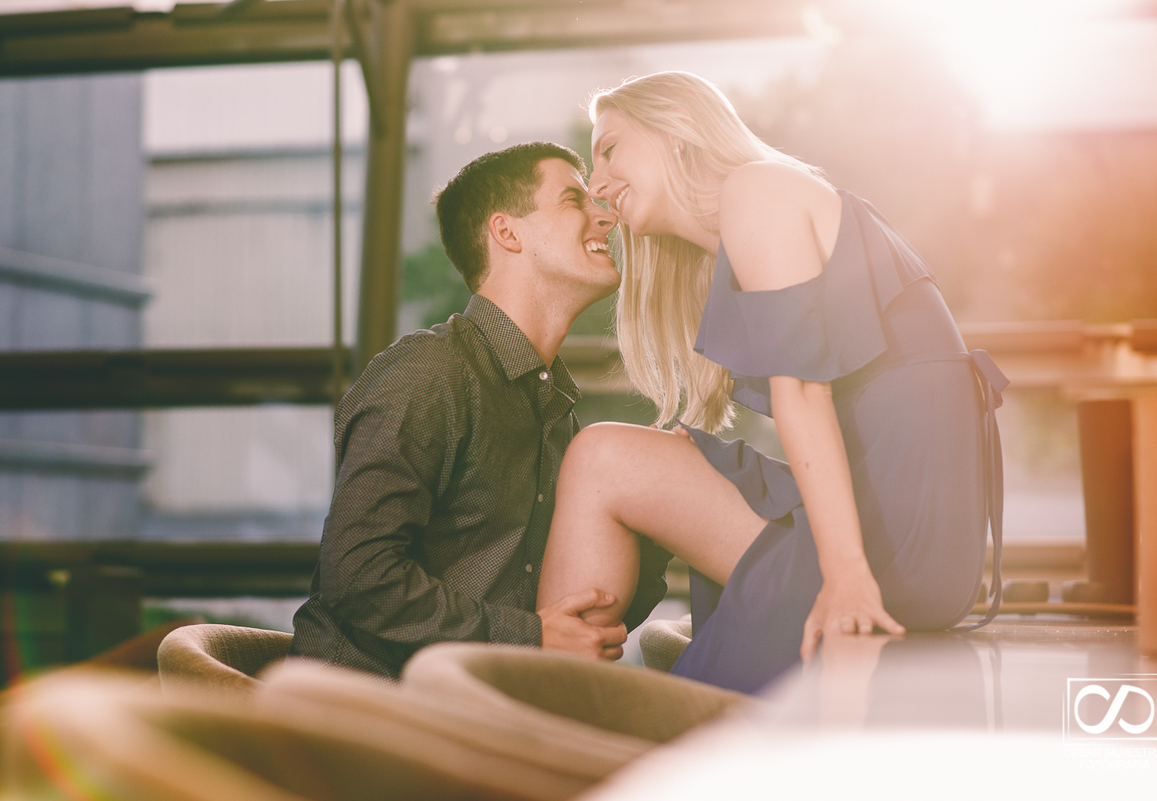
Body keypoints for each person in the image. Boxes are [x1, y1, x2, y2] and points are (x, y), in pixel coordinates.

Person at [536, 72, 1006, 694]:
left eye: (610, 149)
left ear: (676, 131)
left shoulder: (758, 192)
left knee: (602, 460)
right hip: (908, 540)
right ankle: (562, 700)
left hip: (891, 551)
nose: (597, 187)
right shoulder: (764, 211)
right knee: (615, 457)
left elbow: (804, 396)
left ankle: (540, 717)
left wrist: (845, 579)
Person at [290, 142, 672, 677]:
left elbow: (574, 618)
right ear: (507, 232)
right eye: (573, 199)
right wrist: (532, 638)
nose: (605, 217)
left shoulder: (554, 409)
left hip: (471, 705)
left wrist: (659, 508)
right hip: (368, 712)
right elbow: (358, 577)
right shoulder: (427, 374)